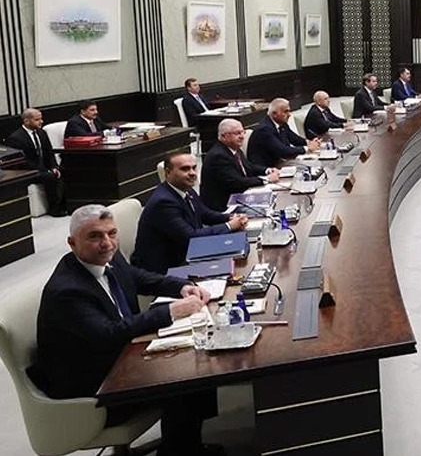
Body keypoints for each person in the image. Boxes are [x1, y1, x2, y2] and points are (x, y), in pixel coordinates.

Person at [28, 205, 220, 456]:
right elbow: (109, 334)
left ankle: (186, 445)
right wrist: (171, 311)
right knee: (185, 380)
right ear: (72, 243)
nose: (107, 243)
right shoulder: (68, 291)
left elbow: (137, 277)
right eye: (95, 236)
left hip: (118, 358)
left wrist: (181, 286)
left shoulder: (109, 258)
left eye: (112, 233)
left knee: (197, 361)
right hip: (93, 386)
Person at [131, 151, 248, 273]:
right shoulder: (163, 202)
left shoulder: (185, 189)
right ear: (168, 172)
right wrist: (229, 226)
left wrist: (231, 217)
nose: (192, 173)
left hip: (188, 255)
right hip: (166, 269)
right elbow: (191, 238)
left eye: (194, 168)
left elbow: (205, 214)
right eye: (185, 169)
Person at [200, 119, 281, 211]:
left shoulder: (234, 149)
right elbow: (237, 183)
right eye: (237, 133)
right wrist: (267, 179)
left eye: (242, 132)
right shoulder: (218, 156)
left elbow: (248, 167)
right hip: (224, 207)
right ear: (224, 136)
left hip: (238, 197)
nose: (242, 136)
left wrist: (267, 170)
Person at [3, 108, 66, 216]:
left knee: (63, 170)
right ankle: (55, 209)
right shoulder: (16, 138)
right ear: (26, 121)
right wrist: (45, 170)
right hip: (29, 171)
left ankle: (66, 205)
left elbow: (49, 152)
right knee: (49, 176)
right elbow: (23, 161)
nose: (41, 121)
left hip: (44, 167)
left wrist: (54, 166)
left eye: (41, 119)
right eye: (37, 119)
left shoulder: (42, 132)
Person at [246, 98, 320, 167]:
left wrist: (309, 142)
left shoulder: (282, 124)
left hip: (279, 163)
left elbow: (294, 139)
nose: (289, 114)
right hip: (266, 169)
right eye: (286, 111)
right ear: (274, 114)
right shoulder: (264, 130)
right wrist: (307, 148)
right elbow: (283, 151)